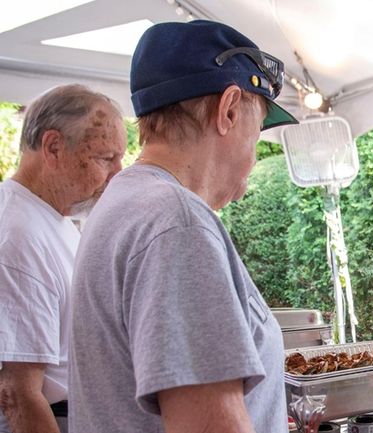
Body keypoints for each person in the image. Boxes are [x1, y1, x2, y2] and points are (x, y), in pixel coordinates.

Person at [68, 20, 299, 433]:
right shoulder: (178, 224)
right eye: (259, 129)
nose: (255, 153)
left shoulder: (121, 202)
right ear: (229, 110)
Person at [0, 84, 126, 433]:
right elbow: (16, 394)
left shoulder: (52, 217)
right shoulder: (18, 236)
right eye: (105, 158)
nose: (118, 173)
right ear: (53, 147)